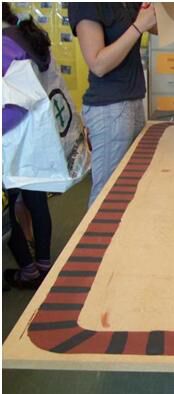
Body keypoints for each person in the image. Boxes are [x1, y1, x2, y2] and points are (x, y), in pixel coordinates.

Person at [68, 3, 157, 207]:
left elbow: (156, 25)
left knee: (130, 186)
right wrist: (138, 26)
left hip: (133, 101)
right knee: (106, 193)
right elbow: (98, 64)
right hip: (109, 109)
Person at [2, 3, 53, 290]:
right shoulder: (25, 34)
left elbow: (12, 103)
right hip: (36, 135)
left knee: (8, 209)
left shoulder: (4, 44)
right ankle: (44, 265)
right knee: (37, 202)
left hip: (10, 139)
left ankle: (29, 270)